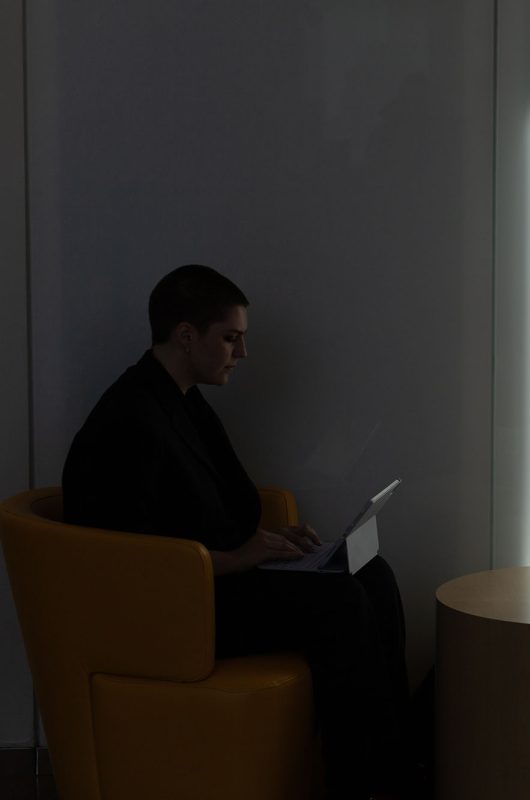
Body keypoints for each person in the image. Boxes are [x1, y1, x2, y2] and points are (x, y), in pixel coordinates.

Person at [62, 264, 410, 800]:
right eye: (230, 339)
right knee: (340, 603)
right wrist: (239, 558)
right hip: (179, 604)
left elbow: (219, 508)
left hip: (219, 577)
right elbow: (133, 560)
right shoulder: (129, 420)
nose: (240, 355)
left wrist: (276, 540)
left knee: (373, 573)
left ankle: (392, 764)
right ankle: (363, 784)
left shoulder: (184, 401)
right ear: (185, 335)